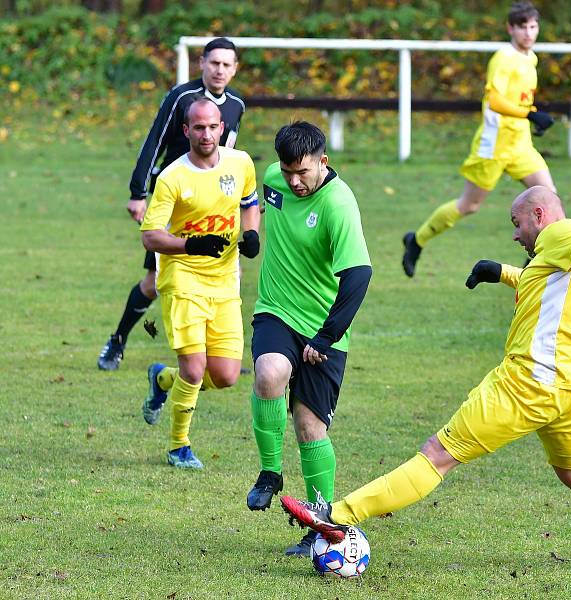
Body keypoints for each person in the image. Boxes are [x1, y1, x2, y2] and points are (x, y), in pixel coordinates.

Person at [280, 186, 571, 574]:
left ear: (539, 216)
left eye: (516, 222)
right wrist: (501, 272)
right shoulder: (566, 263)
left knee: (438, 454)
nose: (515, 233)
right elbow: (545, 281)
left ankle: (336, 514)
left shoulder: (564, 233)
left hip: (527, 386)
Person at [246, 121, 372, 557]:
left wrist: (326, 335)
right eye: (289, 171)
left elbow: (359, 276)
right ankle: (269, 473)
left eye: (304, 172)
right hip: (275, 311)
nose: (295, 181)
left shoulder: (339, 204)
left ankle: (321, 525)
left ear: (324, 161)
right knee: (269, 371)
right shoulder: (272, 179)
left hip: (324, 327)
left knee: (309, 427)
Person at [98, 37, 244, 370]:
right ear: (202, 63)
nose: (220, 70)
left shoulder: (236, 105)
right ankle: (117, 341)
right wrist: (139, 192)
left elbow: (229, 157)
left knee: (226, 275)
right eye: (214, 62)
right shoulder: (181, 97)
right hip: (174, 203)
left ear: (235, 69)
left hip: (213, 206)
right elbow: (154, 142)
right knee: (152, 283)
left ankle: (221, 353)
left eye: (227, 64)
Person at [138, 96, 260, 469]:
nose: (206, 134)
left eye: (213, 127)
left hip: (225, 281)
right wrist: (190, 244)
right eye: (199, 128)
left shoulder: (240, 163)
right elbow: (150, 236)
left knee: (224, 376)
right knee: (194, 369)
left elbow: (250, 202)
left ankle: (163, 381)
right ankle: (179, 446)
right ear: (186, 130)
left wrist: (252, 233)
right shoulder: (172, 176)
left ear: (222, 128)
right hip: (183, 280)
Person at [401, 1, 556, 278]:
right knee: (469, 205)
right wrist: (531, 115)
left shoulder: (530, 58)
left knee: (549, 199)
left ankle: (537, 264)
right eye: (522, 27)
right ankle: (417, 240)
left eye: (533, 26)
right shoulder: (503, 58)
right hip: (494, 145)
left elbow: (518, 100)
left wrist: (531, 120)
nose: (529, 33)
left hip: (521, 145)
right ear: (510, 28)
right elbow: (495, 100)